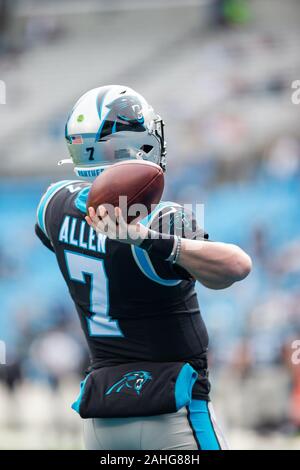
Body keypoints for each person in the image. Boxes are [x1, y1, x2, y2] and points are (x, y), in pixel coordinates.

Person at [35, 85, 252, 450]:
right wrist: (146, 238)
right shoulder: (163, 220)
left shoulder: (54, 205)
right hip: (172, 412)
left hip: (101, 418)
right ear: (131, 143)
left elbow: (57, 234)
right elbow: (237, 266)